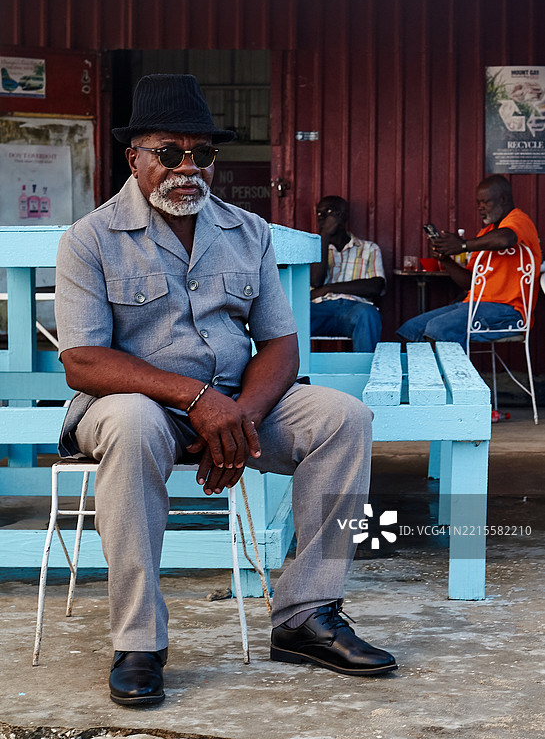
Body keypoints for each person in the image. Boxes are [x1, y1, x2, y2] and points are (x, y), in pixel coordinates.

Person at [54, 74, 397, 708]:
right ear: (134, 158)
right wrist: (197, 400)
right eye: (169, 153)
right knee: (131, 422)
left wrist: (239, 418)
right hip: (135, 408)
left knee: (345, 417)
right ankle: (139, 641)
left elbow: (280, 345)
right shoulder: (89, 239)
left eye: (202, 153)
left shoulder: (248, 231)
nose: (188, 168)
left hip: (239, 403)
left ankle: (306, 615)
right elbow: (83, 361)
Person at [397, 175, 541, 350]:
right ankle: (428, 369)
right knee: (411, 330)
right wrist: (445, 259)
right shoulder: (485, 235)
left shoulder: (519, 220)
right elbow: (470, 282)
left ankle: (452, 369)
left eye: (485, 202)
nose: (480, 207)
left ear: (503, 199)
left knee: (438, 328)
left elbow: (505, 239)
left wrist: (463, 245)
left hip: (509, 311)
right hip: (474, 305)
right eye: (478, 203)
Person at [310, 196, 385, 352]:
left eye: (327, 212)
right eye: (319, 213)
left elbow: (376, 286)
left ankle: (365, 368)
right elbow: (316, 281)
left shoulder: (369, 248)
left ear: (342, 215)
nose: (321, 217)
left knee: (368, 315)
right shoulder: (312, 249)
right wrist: (324, 237)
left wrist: (329, 288)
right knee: (290, 318)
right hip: (319, 308)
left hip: (354, 308)